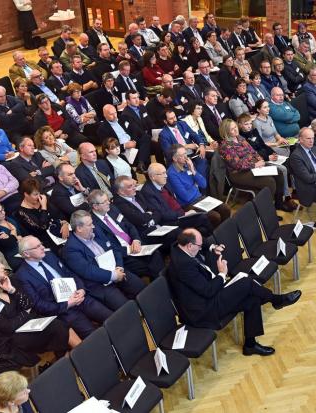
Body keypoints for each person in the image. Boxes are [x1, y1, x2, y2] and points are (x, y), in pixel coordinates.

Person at [168, 229, 301, 356]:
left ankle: (250, 345)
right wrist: (222, 274)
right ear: (190, 246)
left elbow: (201, 242)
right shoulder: (183, 266)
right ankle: (276, 300)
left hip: (208, 295)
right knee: (246, 282)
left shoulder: (179, 245)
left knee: (252, 299)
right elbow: (208, 291)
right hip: (203, 310)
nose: (201, 247)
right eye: (199, 245)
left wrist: (211, 247)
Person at [0, 255, 70, 369]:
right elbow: (7, 327)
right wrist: (26, 313)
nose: (3, 266)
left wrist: (12, 290)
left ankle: (62, 360)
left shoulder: (7, 284)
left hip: (25, 325)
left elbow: (28, 305)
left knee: (58, 324)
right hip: (9, 338)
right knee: (53, 329)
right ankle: (61, 364)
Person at [17, 236, 112, 339]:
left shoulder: (49, 256)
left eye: (41, 244)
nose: (43, 247)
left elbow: (70, 273)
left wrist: (81, 289)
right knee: (95, 336)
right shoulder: (22, 276)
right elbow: (38, 304)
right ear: (26, 253)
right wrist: (67, 304)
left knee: (111, 318)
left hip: (80, 297)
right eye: (37, 246)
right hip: (64, 311)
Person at [61, 210, 145, 311]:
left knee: (142, 288)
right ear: (79, 228)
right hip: (100, 283)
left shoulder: (96, 232)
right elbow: (88, 271)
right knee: (126, 309)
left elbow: (115, 249)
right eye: (90, 224)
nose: (93, 226)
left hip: (116, 270)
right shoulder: (70, 249)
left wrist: (119, 267)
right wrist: (113, 275)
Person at [89, 189, 166, 280]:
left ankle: (164, 283)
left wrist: (136, 240)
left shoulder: (112, 209)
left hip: (135, 244)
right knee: (147, 266)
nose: (108, 203)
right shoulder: (92, 224)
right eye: (104, 202)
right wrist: (128, 249)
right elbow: (107, 246)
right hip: (123, 254)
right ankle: (163, 285)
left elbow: (129, 225)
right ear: (95, 206)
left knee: (156, 254)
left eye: (108, 200)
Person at [219, 119, 293, 212]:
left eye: (235, 127)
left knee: (279, 173)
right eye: (232, 129)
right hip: (238, 174)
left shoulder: (240, 138)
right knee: (269, 182)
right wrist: (254, 164)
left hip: (253, 167)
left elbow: (253, 151)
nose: (235, 130)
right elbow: (237, 164)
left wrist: (260, 160)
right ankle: (266, 211)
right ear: (226, 131)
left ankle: (278, 204)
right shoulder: (225, 146)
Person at [16, 177, 68, 251]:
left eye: (39, 193)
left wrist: (65, 224)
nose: (39, 196)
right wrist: (44, 207)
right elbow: (42, 228)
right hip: (47, 241)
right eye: (35, 194)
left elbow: (59, 213)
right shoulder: (21, 212)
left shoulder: (43, 197)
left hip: (60, 229)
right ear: (26, 194)